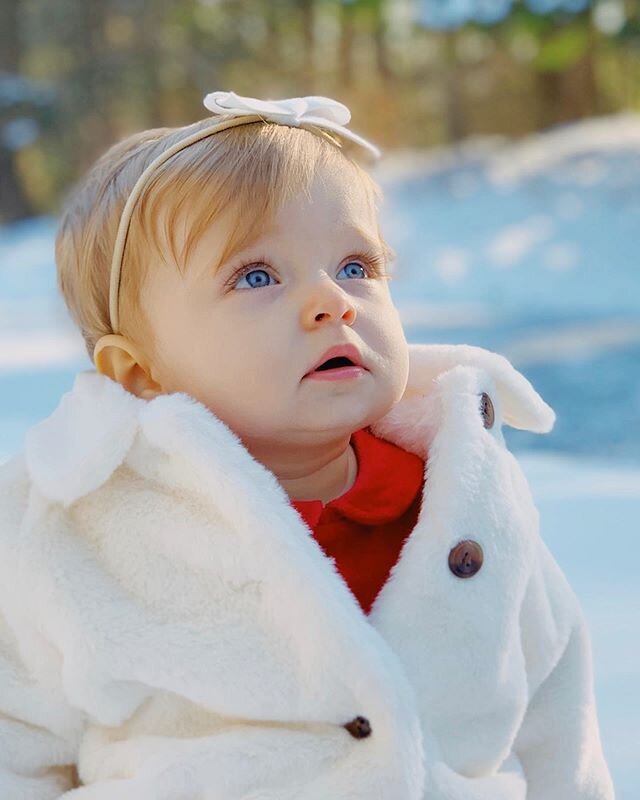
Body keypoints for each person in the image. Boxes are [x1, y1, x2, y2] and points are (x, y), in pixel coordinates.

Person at [0, 91, 614, 800]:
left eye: (356, 265)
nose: (334, 300)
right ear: (141, 374)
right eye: (256, 276)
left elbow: (559, 716)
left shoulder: (467, 503)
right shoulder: (70, 531)